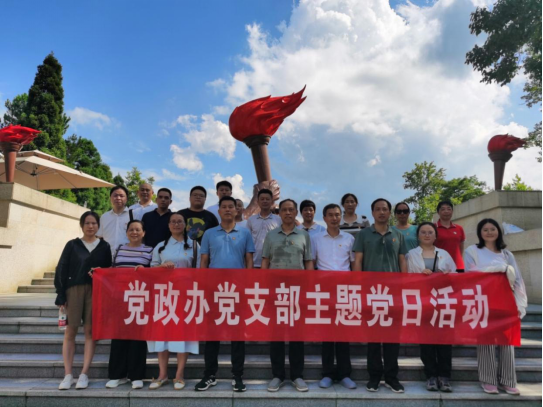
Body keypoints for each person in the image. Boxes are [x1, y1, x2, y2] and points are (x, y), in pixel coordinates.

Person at [196, 197, 256, 393]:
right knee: (212, 334)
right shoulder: (209, 234)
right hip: (214, 290)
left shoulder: (245, 233)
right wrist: (203, 286)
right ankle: (209, 375)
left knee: (237, 335)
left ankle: (237, 375)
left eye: (231, 207)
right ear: (219, 211)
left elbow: (249, 261)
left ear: (237, 210)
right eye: (224, 207)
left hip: (237, 291)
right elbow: (204, 261)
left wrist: (248, 286)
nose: (228, 210)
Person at [464, 219, 528, 396]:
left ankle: (508, 381)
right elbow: (470, 273)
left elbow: (517, 279)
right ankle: (488, 380)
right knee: (486, 341)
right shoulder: (472, 251)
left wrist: (520, 303)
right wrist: (496, 269)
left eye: (493, 229)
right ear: (480, 232)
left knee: (507, 341)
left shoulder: (507, 254)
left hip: (505, 300)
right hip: (483, 299)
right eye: (485, 229)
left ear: (498, 232)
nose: (489, 232)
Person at [353, 198, 407, 394]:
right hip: (371, 292)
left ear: (389, 213)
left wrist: (405, 287)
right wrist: (358, 286)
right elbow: (358, 261)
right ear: (373, 212)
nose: (382, 212)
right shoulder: (363, 234)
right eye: (378, 209)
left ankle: (392, 377)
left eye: (385, 209)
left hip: (393, 293)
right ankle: (374, 376)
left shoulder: (398, 235)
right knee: (373, 337)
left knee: (393, 337)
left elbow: (402, 261)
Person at [54, 212, 112, 390]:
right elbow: (61, 268)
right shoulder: (72, 245)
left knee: (90, 332)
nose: (91, 226)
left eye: (94, 223)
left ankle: (84, 373)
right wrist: (61, 293)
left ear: (98, 226)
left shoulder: (104, 246)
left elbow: (109, 269)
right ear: (81, 225)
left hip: (95, 291)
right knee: (70, 331)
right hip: (74, 290)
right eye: (87, 223)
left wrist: (101, 271)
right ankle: (68, 375)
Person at [262, 199, 314, 393]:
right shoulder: (271, 236)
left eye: (291, 209)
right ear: (280, 213)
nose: (288, 213)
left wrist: (309, 289)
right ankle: (277, 375)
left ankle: (297, 375)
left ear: (296, 212)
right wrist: (264, 289)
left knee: (296, 335)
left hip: (297, 292)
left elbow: (308, 262)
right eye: (284, 210)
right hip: (275, 292)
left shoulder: (304, 235)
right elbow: (265, 262)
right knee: (276, 335)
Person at [148, 213, 200, 390]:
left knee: (182, 334)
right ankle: (162, 375)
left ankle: (179, 375)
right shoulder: (161, 246)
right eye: (173, 222)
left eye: (180, 221)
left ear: (185, 225)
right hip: (164, 295)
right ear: (168, 225)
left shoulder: (194, 245)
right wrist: (162, 267)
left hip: (185, 296)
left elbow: (200, 271)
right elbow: (151, 270)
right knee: (162, 334)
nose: (176, 224)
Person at [406, 222, 456, 393]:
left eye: (430, 232)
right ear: (418, 235)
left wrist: (445, 275)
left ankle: (445, 376)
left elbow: (455, 277)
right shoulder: (411, 254)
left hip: (443, 301)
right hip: (422, 302)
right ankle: (431, 376)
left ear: (435, 235)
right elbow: (406, 277)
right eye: (423, 232)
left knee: (444, 340)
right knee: (426, 340)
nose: (427, 235)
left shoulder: (444, 254)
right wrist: (420, 276)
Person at [312, 204, 356, 390]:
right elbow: (312, 263)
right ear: (324, 218)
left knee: (343, 333)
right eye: (330, 215)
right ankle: (328, 374)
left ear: (341, 217)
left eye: (337, 215)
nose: (334, 218)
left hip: (344, 290)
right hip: (324, 290)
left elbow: (353, 264)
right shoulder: (315, 239)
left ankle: (345, 374)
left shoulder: (349, 238)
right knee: (327, 333)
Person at [105, 220, 153, 390]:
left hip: (139, 297)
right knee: (118, 336)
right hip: (119, 298)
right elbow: (112, 271)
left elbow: (154, 273)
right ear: (126, 233)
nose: (134, 232)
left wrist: (145, 271)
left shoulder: (149, 250)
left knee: (138, 337)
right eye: (131, 229)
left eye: (138, 229)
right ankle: (117, 375)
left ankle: (136, 376)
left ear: (143, 233)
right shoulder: (119, 249)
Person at [246, 189, 281, 268]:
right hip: (254, 262)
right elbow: (248, 242)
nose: (265, 201)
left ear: (272, 202)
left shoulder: (278, 220)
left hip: (272, 264)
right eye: (262, 199)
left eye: (267, 199)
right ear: (258, 202)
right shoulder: (251, 220)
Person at [98, 186, 131, 258]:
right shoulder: (104, 217)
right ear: (110, 198)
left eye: (121, 196)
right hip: (106, 257)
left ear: (126, 199)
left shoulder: (133, 215)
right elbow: (99, 237)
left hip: (127, 257)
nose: (118, 198)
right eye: (115, 195)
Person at [434, 201, 466, 272]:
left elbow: (461, 247)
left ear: (452, 211)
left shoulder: (459, 228)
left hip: (458, 266)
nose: (446, 211)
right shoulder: (433, 228)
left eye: (449, 209)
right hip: (440, 267)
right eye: (443, 209)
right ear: (438, 212)